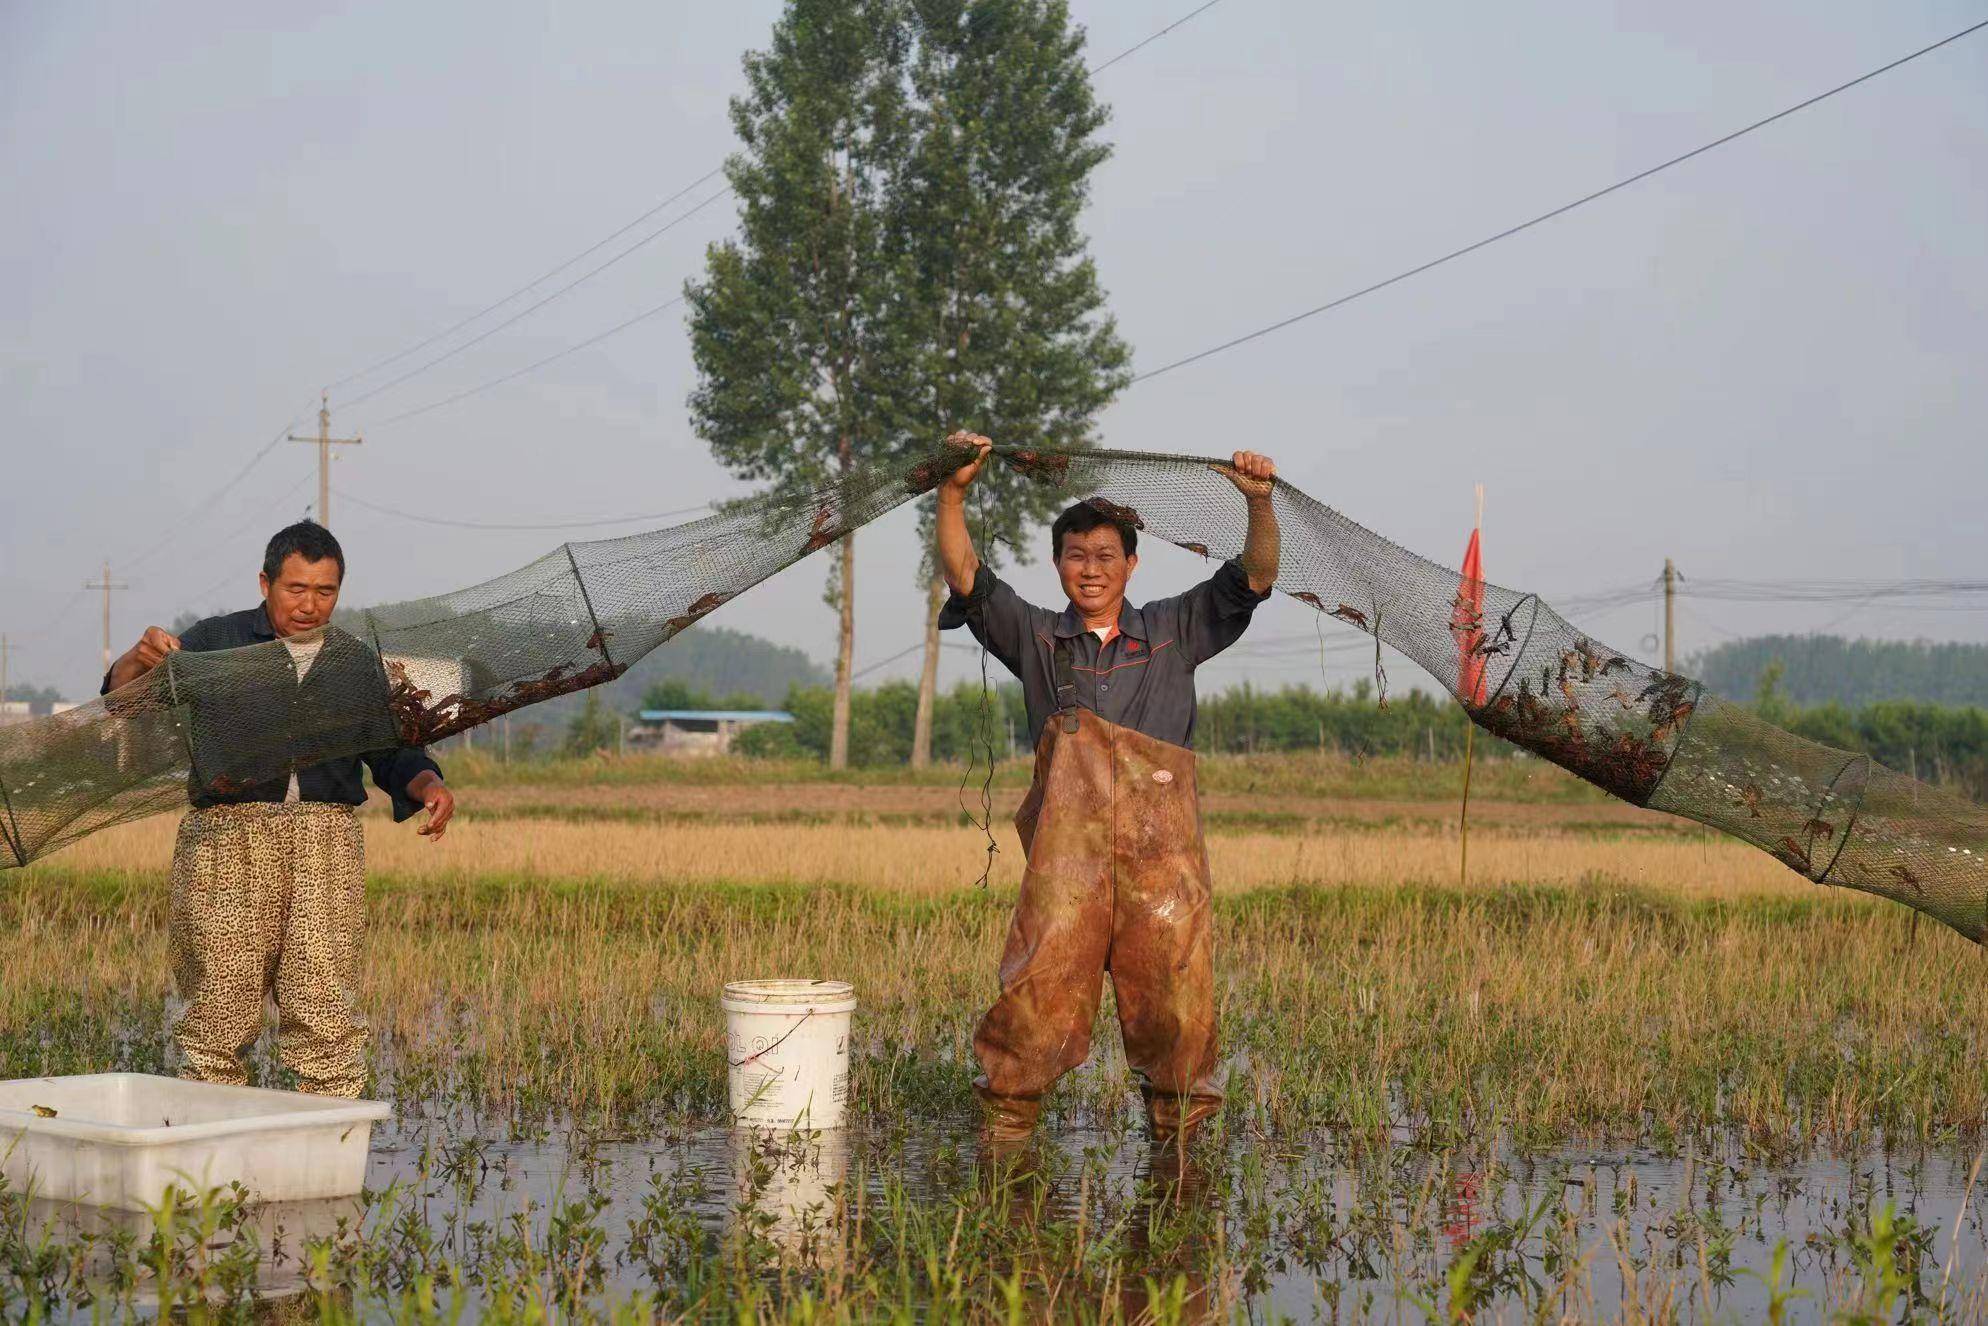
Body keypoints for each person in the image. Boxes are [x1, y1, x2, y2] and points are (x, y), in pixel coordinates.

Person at [935, 433, 1279, 1145]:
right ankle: (1008, 1154)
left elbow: (1256, 575)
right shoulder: (1035, 637)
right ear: (1058, 562)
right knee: (1036, 1002)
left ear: (1130, 563)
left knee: (1177, 1013)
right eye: (1075, 555)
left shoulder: (1175, 630)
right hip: (1068, 870)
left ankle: (1180, 1169)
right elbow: (966, 575)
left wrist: (1259, 503)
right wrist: (953, 493)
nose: (1090, 570)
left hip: (1164, 869)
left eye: (1104, 556)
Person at [102, 521, 456, 1097]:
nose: (309, 605)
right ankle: (214, 1165)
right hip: (227, 839)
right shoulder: (216, 642)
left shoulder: (355, 665)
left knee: (321, 1003)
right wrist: (137, 662)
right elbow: (125, 703)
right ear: (265, 583)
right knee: (220, 1003)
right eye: (296, 588)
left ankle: (323, 1156)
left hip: (326, 843)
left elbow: (392, 751)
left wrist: (427, 785)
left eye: (325, 591)